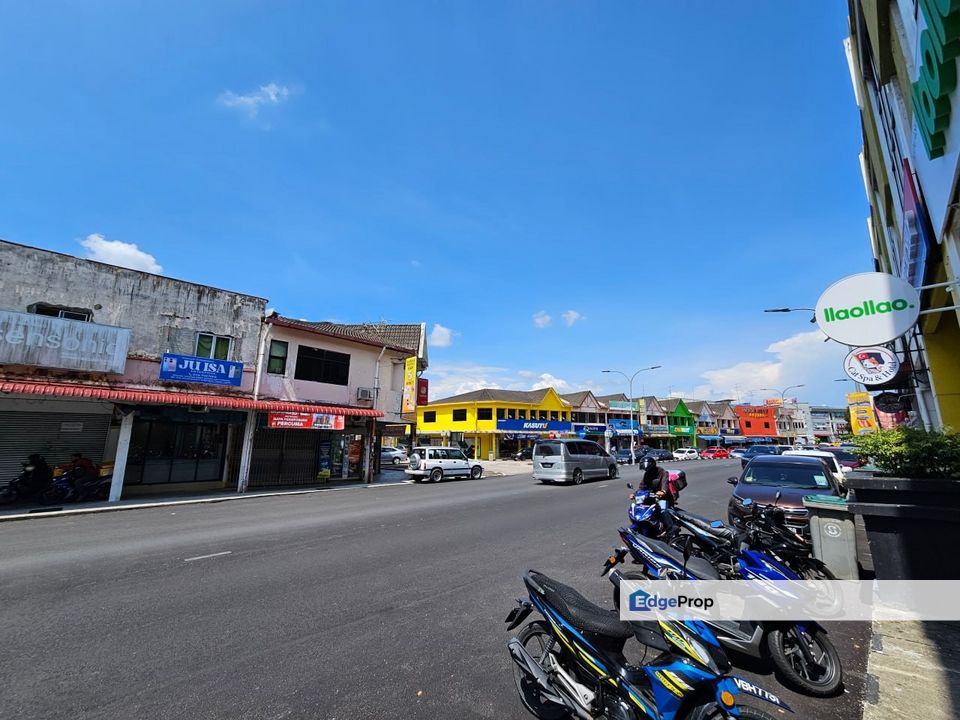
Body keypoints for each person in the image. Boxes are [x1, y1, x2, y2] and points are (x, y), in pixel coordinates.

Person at [640, 456, 678, 530]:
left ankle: (671, 528)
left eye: (648, 469)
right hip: (651, 497)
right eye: (645, 469)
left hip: (664, 497)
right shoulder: (647, 474)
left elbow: (665, 483)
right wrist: (635, 494)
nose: (647, 471)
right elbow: (642, 486)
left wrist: (663, 491)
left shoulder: (663, 472)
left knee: (663, 510)